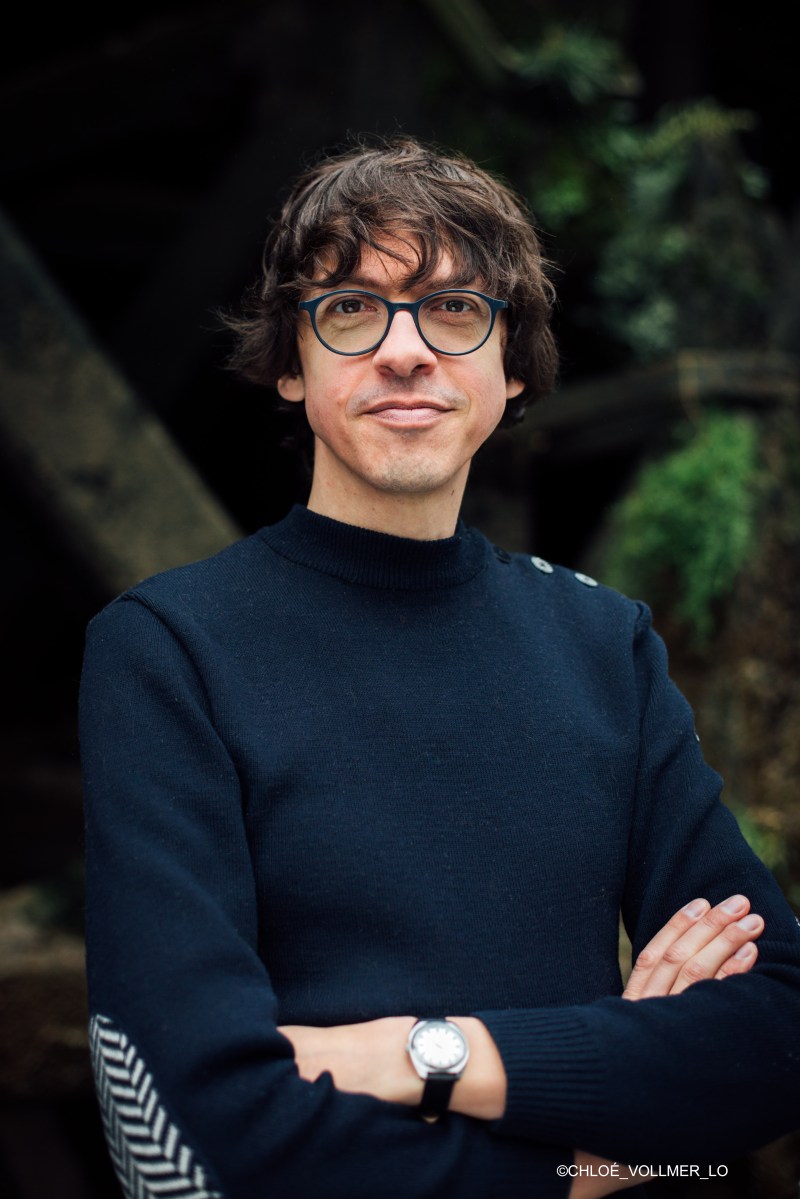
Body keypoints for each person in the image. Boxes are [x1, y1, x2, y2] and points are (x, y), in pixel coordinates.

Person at [80, 137, 800, 1199]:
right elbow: (189, 1127)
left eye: (455, 309)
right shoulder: (167, 648)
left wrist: (420, 1052)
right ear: (291, 363)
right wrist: (584, 1163)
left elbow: (777, 1028)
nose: (405, 350)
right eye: (351, 308)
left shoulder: (603, 643)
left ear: (513, 368)